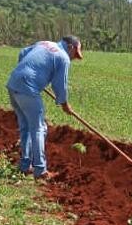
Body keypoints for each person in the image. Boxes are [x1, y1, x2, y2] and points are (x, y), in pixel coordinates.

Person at [6, 35, 83, 179]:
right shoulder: (63, 57)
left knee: (26, 127)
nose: (74, 58)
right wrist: (65, 104)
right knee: (39, 128)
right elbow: (60, 85)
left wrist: (26, 72)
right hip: (27, 89)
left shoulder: (44, 43)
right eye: (75, 54)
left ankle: (24, 166)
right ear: (70, 47)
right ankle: (40, 171)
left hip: (13, 84)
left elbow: (23, 53)